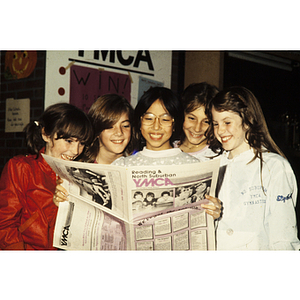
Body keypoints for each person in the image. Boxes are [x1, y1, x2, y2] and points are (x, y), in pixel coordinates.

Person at [206, 86, 300, 250]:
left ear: (248, 120)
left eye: (227, 122)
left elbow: (283, 236)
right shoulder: (213, 164)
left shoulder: (274, 167)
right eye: (215, 123)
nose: (220, 130)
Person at [112, 86, 222, 219]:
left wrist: (213, 212)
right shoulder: (121, 166)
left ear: (175, 124)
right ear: (139, 122)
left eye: (165, 119)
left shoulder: (193, 165)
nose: (156, 126)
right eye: (148, 118)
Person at [0, 103, 93, 250]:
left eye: (81, 143)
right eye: (69, 141)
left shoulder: (78, 174)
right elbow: (5, 224)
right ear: (46, 134)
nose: (76, 151)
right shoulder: (21, 167)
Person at [53, 94, 135, 205]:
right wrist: (60, 201)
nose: (119, 133)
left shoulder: (137, 164)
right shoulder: (77, 166)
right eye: (110, 126)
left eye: (125, 126)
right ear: (97, 130)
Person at [174, 82, 219, 161]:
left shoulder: (219, 155)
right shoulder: (168, 148)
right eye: (192, 118)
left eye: (206, 122)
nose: (197, 129)